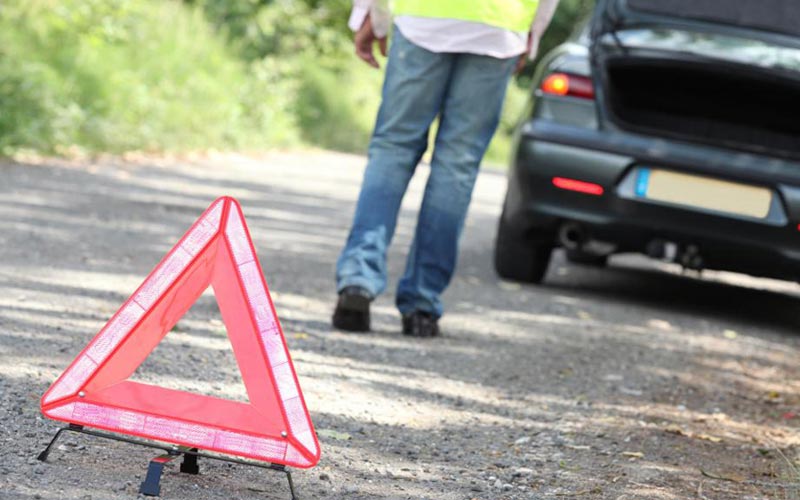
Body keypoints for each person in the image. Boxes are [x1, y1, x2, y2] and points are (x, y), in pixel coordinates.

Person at [333, 0, 561, 337]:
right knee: (457, 164)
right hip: (498, 25)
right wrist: (531, 32)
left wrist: (374, 18)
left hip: (423, 18)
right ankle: (421, 305)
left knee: (393, 149)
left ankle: (358, 282)